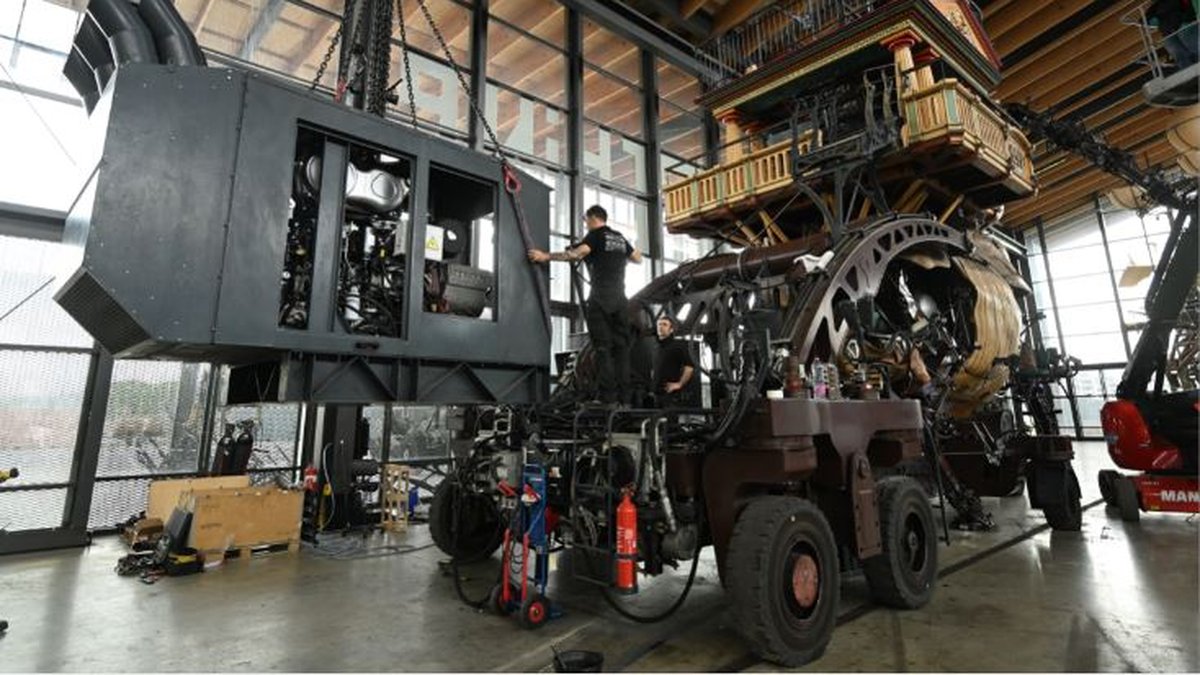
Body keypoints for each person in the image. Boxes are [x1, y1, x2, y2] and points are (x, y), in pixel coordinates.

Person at [528, 205, 642, 403]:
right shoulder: (620, 238)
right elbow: (638, 258)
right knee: (622, 350)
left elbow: (575, 255)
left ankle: (609, 400)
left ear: (592, 218)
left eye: (586, 220)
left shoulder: (595, 235)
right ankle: (625, 400)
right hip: (621, 301)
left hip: (601, 300)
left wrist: (545, 256)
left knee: (603, 349)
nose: (586, 224)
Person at [653, 316, 695, 408]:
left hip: (670, 395)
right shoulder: (657, 347)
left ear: (671, 329)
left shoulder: (678, 346)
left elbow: (689, 367)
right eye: (659, 324)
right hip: (657, 395)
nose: (661, 327)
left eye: (665, 325)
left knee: (670, 422)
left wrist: (679, 384)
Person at [1149, 0, 1199, 69]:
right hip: (1174, 30)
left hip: (1180, 26)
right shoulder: (1155, 7)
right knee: (1182, 57)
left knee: (1186, 55)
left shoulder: (1156, 8)